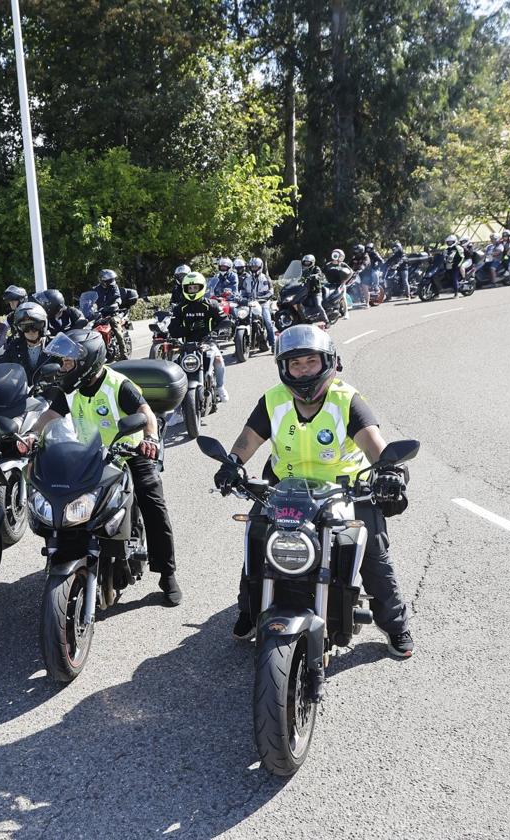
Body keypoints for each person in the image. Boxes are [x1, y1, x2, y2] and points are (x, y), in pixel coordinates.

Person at [212, 324, 414, 657]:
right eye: (295, 364)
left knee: (373, 555)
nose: (303, 370)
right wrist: (232, 463)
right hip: (284, 490)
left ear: (328, 363)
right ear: (284, 368)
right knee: (256, 543)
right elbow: (249, 438)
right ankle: (249, 611)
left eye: (311, 362)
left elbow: (374, 444)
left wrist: (389, 471)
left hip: (346, 492)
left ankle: (394, 624)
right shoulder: (274, 399)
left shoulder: (346, 400)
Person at [22, 329, 182, 606]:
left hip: (129, 452)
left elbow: (145, 414)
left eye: (68, 362)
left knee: (153, 502)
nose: (63, 367)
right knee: (58, 495)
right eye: (63, 362)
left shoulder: (119, 384)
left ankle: (167, 573)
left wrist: (150, 439)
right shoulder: (70, 389)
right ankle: (65, 550)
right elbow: (51, 414)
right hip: (89, 455)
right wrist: (33, 434)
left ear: (88, 362)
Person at [169, 271, 228, 402]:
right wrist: (189, 328)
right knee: (174, 367)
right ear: (184, 289)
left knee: (218, 359)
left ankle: (220, 387)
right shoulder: (180, 308)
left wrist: (217, 330)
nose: (192, 290)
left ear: (202, 288)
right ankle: (177, 409)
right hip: (186, 345)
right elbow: (172, 330)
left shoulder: (211, 305)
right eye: (190, 288)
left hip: (207, 342)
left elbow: (224, 320)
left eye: (195, 287)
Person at [0, 302, 52, 382]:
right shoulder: (14, 346)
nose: (30, 331)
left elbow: (64, 370)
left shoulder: (53, 345)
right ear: (19, 329)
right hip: (22, 392)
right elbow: (1, 367)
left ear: (43, 325)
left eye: (35, 325)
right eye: (25, 326)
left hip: (49, 392)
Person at [242, 257, 276, 349]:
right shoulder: (247, 280)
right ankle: (239, 346)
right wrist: (241, 298)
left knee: (268, 322)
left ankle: (273, 344)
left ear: (260, 267)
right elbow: (243, 291)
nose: (254, 269)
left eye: (255, 267)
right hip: (250, 304)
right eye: (252, 267)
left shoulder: (266, 278)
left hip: (263, 303)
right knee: (241, 319)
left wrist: (261, 298)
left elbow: (271, 292)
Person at [324, 249, 353, 320]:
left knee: (343, 297)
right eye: (340, 256)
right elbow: (322, 273)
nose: (341, 258)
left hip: (340, 283)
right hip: (330, 284)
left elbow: (351, 272)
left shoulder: (342, 264)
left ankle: (346, 313)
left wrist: (345, 281)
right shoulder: (328, 265)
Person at [300, 254, 329, 326]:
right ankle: (305, 319)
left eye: (308, 262)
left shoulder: (316, 268)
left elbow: (320, 274)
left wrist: (316, 276)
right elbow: (299, 277)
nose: (306, 263)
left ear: (312, 262)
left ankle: (326, 321)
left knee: (318, 305)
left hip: (316, 291)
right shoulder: (303, 270)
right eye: (305, 262)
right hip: (306, 291)